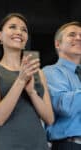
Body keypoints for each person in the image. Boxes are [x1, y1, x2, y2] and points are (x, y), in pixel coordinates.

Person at [0, 12, 54, 150]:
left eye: (24, 30)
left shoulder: (38, 73)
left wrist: (31, 92)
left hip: (37, 144)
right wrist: (20, 81)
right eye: (12, 27)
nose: (19, 32)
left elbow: (49, 118)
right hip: (5, 144)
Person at [43, 21, 81, 150]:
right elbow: (65, 106)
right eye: (72, 34)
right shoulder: (51, 72)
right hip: (70, 144)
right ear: (58, 44)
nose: (79, 38)